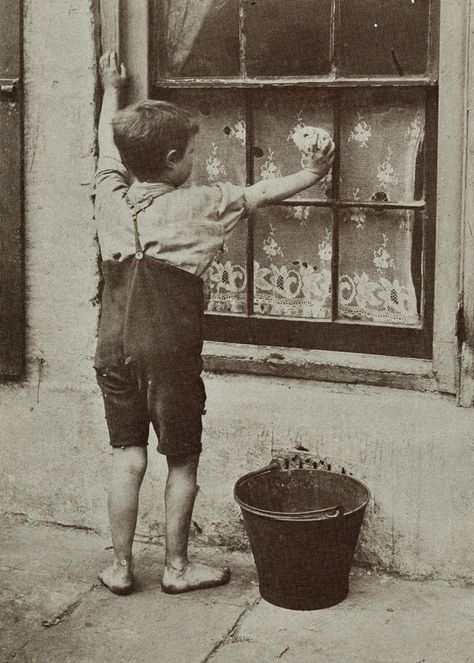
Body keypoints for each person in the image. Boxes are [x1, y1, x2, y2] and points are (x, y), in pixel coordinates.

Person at [94, 50, 335, 596]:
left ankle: (120, 567)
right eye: (194, 153)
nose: (197, 161)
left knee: (126, 456)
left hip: (111, 348)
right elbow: (260, 193)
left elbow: (106, 149)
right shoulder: (202, 203)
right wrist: (315, 171)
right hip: (168, 353)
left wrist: (111, 89)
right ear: (175, 159)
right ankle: (177, 569)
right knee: (181, 458)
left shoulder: (108, 196)